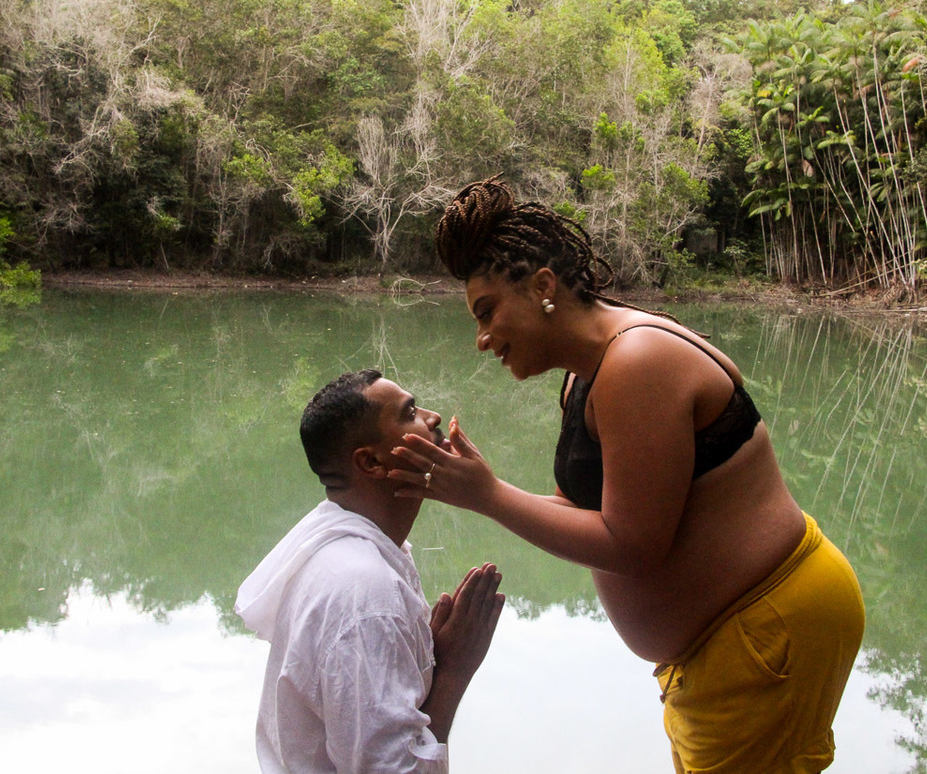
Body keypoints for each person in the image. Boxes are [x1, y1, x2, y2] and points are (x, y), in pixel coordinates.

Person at [388, 177, 865, 773]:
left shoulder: (637, 362)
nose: (482, 340)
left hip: (767, 627)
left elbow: (635, 545)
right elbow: (586, 515)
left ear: (542, 287)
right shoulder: (586, 374)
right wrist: (482, 487)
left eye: (487, 313)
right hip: (729, 643)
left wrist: (488, 496)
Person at [236, 369, 504, 774]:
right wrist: (453, 672)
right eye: (410, 412)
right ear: (372, 461)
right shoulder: (364, 593)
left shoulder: (353, 553)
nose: (432, 418)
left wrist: (425, 664)